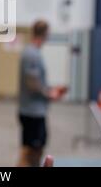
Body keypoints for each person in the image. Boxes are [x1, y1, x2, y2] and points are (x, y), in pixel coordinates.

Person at [17, 20, 67, 167]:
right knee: (29, 152)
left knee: (34, 151)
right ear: (44, 34)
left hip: (34, 110)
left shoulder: (33, 52)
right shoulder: (32, 54)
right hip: (32, 112)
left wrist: (51, 89)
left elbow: (36, 81)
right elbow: (33, 83)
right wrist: (50, 93)